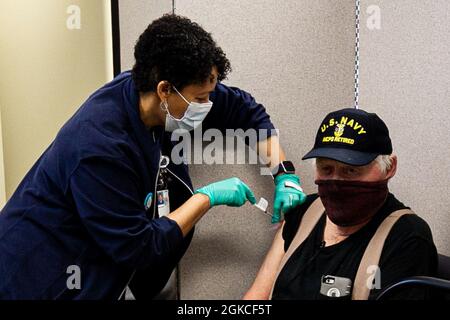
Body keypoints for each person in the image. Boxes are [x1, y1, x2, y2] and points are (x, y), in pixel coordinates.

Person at [0, 14, 305, 299]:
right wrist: (207, 198)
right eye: (200, 98)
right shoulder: (99, 147)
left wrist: (284, 173)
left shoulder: (160, 103)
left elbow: (246, 110)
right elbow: (139, 247)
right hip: (39, 276)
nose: (208, 105)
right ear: (164, 90)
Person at [244, 108, 438, 300]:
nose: (336, 183)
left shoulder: (407, 237)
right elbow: (257, 297)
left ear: (389, 167)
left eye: (351, 171)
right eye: (326, 169)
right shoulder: (304, 212)